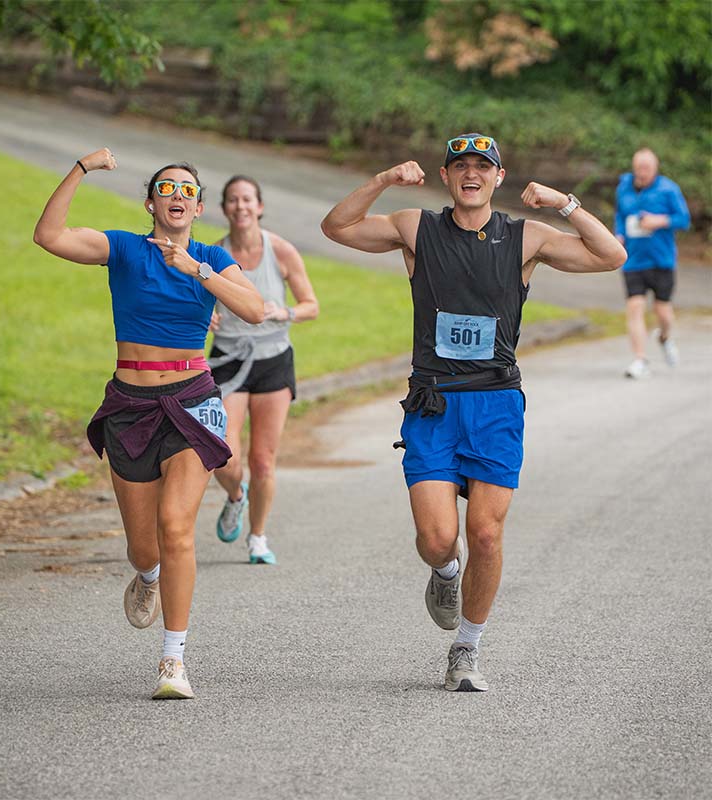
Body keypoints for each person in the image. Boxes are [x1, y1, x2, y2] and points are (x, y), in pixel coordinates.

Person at [321, 133, 626, 691]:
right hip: (434, 401)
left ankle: (467, 648)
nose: (471, 174)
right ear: (445, 175)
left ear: (498, 178)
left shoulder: (524, 236)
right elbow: (337, 226)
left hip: (495, 403)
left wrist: (565, 204)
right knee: (439, 539)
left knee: (485, 534)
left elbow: (611, 257)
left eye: (482, 167)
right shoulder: (417, 227)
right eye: (460, 166)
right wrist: (386, 180)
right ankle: (444, 571)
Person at [33, 149, 264, 700]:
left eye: (188, 189)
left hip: (191, 401)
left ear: (200, 206)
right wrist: (82, 169)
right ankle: (148, 576)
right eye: (167, 188)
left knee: (176, 528)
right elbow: (49, 235)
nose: (178, 195)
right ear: (151, 203)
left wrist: (200, 271)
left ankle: (173, 661)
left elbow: (254, 310)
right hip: (131, 403)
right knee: (145, 548)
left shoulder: (210, 257)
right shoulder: (124, 249)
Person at [208, 175, 319, 564]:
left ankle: (258, 538)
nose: (240, 206)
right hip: (227, 360)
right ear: (224, 209)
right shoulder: (211, 253)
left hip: (273, 359)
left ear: (259, 207)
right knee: (222, 451)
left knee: (263, 459)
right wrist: (205, 318)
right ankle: (236, 496)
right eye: (233, 200)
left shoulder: (282, 251)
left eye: (247, 200)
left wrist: (283, 311)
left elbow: (311, 305)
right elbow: (192, 299)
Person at [614, 148, 690, 379]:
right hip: (633, 260)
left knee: (663, 312)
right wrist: (618, 235)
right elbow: (620, 215)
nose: (642, 172)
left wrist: (660, 220)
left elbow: (684, 219)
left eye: (646, 168)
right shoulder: (624, 187)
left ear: (655, 168)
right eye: (639, 167)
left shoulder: (668, 189)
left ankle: (665, 337)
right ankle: (640, 360)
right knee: (635, 308)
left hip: (661, 260)